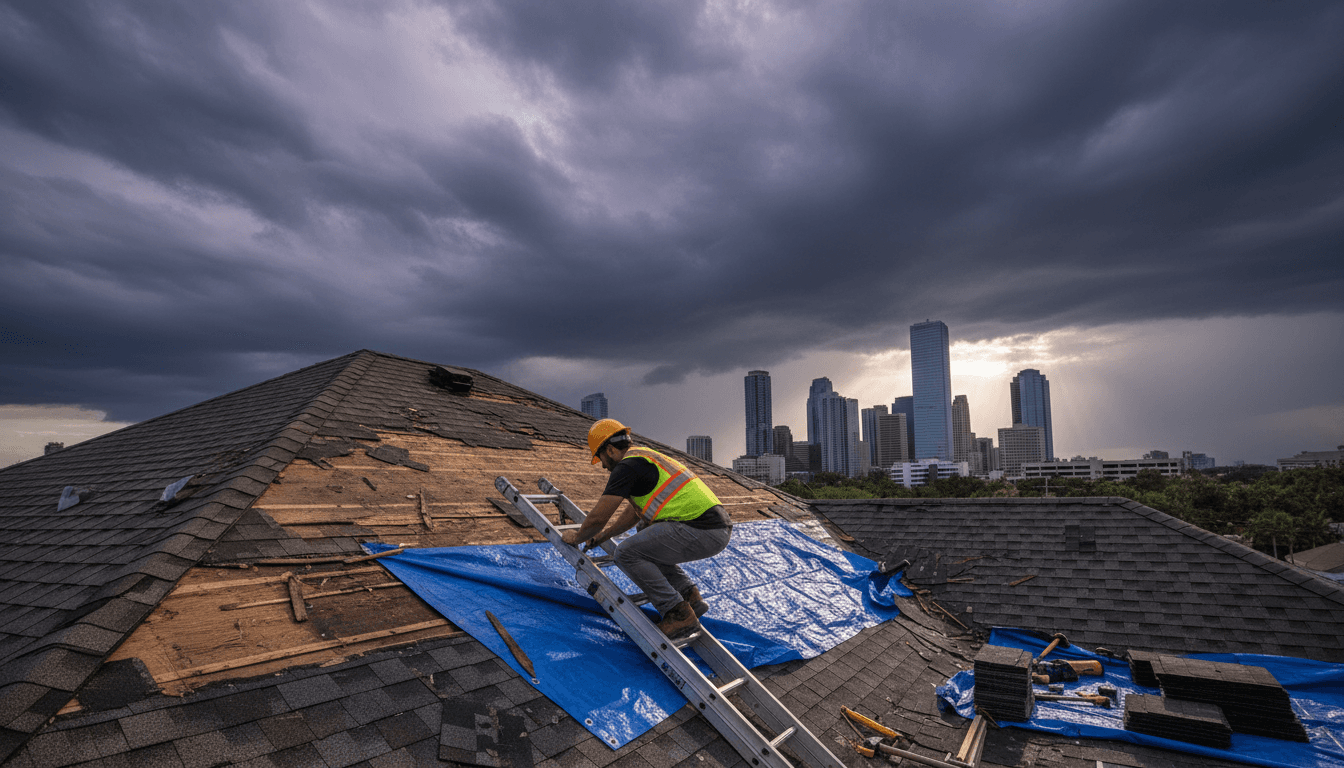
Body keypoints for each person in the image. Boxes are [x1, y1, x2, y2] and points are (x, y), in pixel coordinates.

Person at [562, 419, 732, 639]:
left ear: (611, 449)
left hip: (700, 529)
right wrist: (604, 536)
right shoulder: (644, 458)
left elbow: (599, 515)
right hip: (714, 528)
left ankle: (677, 613)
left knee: (625, 553)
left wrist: (576, 536)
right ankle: (688, 596)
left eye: (601, 457)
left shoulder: (626, 467)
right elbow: (633, 514)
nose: (603, 466)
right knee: (644, 531)